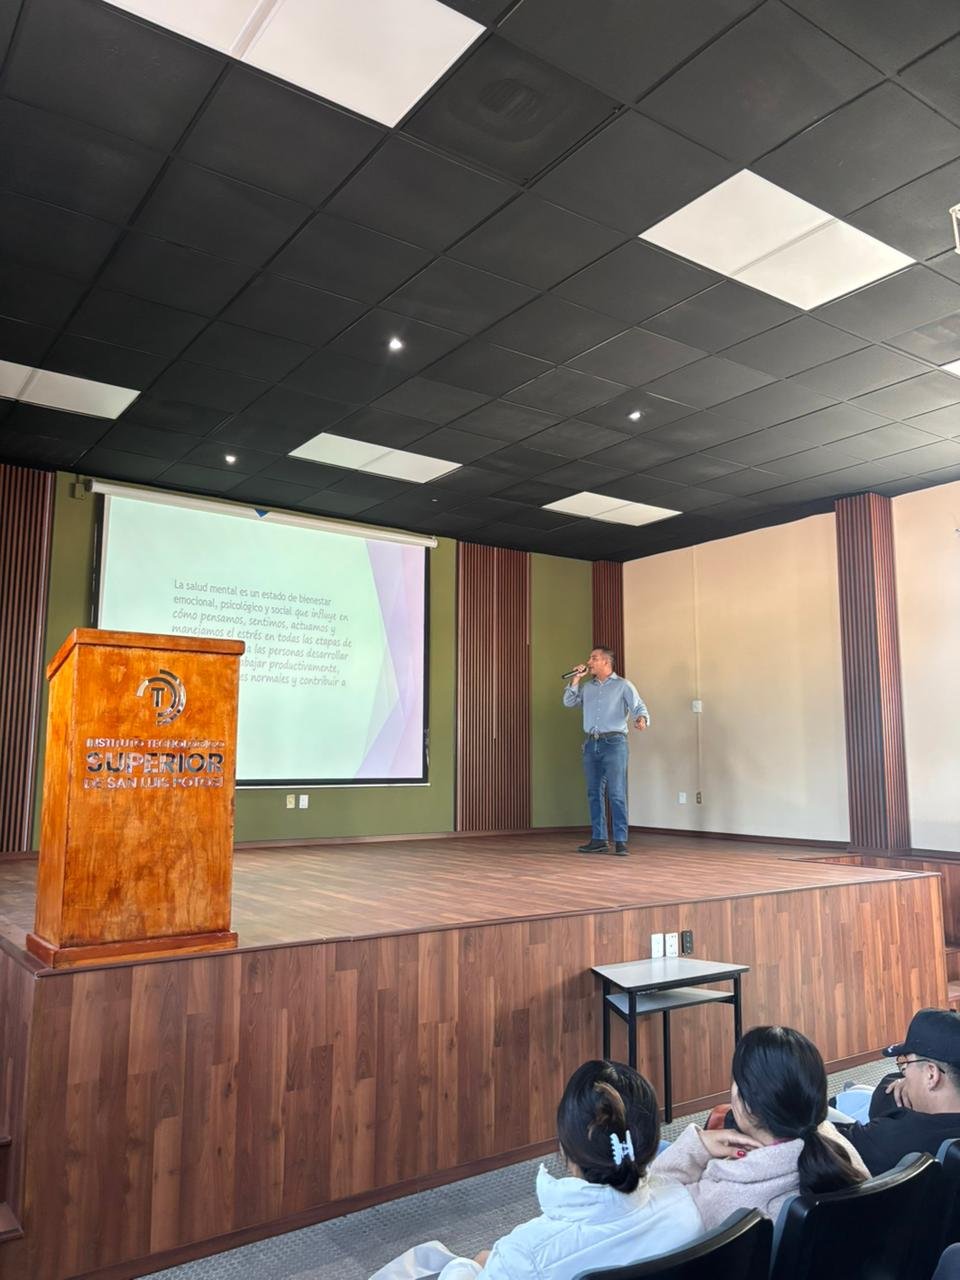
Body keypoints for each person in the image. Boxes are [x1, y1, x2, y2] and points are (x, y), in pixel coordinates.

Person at [402, 1060, 703, 1280]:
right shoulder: (684, 1209)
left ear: (566, 1147)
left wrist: (470, 1267)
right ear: (651, 1142)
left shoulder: (525, 1254)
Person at [651, 1025, 867, 1228]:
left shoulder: (723, 1195)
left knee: (658, 1147)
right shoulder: (841, 1152)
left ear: (747, 1105)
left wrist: (697, 1145)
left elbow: (652, 1206)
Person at [835, 1008, 960, 1175]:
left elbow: (822, 1142)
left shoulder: (894, 1137)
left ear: (931, 1075)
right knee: (860, 1091)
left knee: (843, 1103)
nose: (904, 1072)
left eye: (906, 1063)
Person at [563, 647, 649, 856]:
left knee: (616, 792)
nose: (589, 662)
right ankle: (599, 839)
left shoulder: (623, 685)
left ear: (606, 662)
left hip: (614, 743)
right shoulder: (587, 687)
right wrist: (575, 679)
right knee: (594, 792)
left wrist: (641, 719)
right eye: (590, 658)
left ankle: (621, 841)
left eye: (594, 658)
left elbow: (639, 706)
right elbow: (569, 702)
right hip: (591, 743)